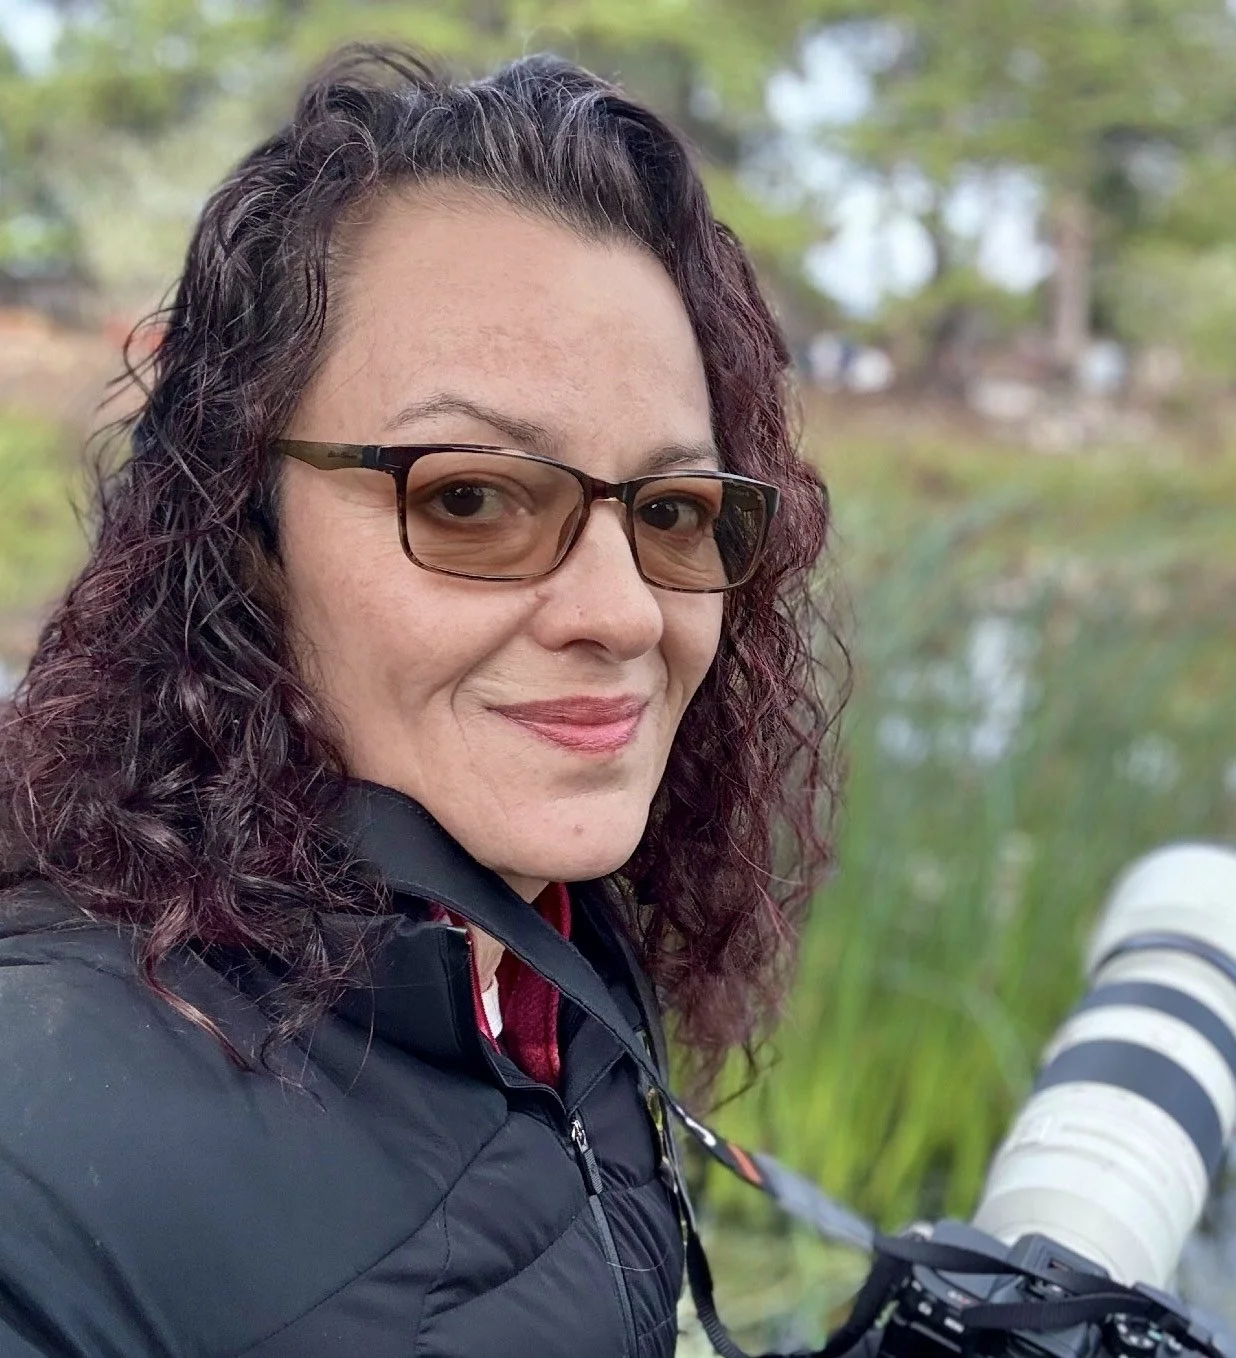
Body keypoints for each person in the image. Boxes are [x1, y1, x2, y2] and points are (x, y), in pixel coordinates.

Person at [0, 45, 841, 1358]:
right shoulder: (43, 1145)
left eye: (672, 511)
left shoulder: (541, 947)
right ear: (241, 524)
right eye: (469, 496)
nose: (623, 613)